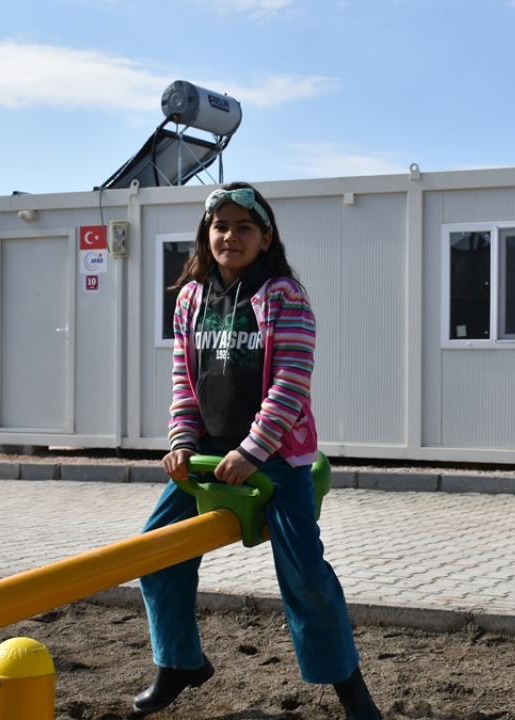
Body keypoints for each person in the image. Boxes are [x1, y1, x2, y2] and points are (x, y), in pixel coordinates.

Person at [134, 182, 382, 719]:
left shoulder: (282, 295)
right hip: (207, 456)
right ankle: (179, 663)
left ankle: (350, 688)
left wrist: (252, 450)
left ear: (266, 237)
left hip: (273, 458)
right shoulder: (191, 300)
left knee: (305, 576)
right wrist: (180, 440)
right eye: (220, 226)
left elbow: (291, 383)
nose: (230, 236)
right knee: (154, 554)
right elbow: (184, 380)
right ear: (206, 235)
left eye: (244, 227)